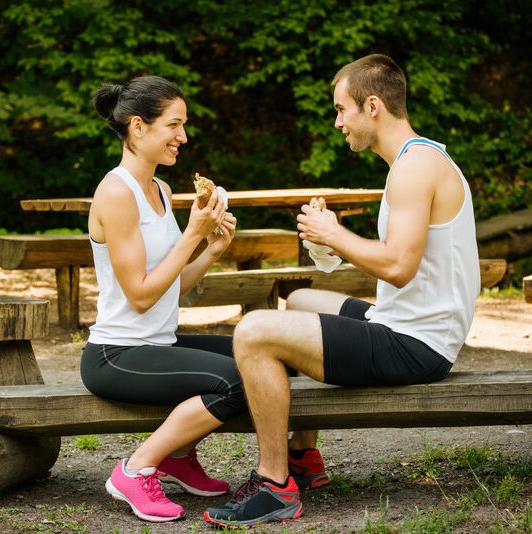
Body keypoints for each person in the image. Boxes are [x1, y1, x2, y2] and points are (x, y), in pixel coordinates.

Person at [204, 54, 480, 528]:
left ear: (372, 106)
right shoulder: (417, 159)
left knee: (253, 331)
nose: (337, 123)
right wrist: (328, 248)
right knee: (302, 300)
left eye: (341, 110)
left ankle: (274, 485)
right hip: (405, 325)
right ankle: (303, 459)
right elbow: (402, 261)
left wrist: (333, 233)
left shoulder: (416, 168)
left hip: (416, 345)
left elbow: (397, 266)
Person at [80, 75, 247, 523]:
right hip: (117, 354)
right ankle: (136, 469)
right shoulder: (117, 192)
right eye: (174, 124)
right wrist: (192, 233)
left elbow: (170, 285)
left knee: (259, 353)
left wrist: (211, 250)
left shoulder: (161, 190)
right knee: (234, 381)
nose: (183, 136)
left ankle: (178, 456)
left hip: (159, 343)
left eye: (184, 124)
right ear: (138, 126)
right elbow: (138, 295)